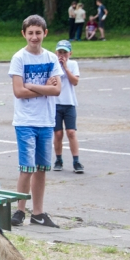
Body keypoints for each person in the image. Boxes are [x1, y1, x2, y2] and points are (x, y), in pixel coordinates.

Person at [8, 15, 62, 227]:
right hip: (25, 121)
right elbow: (19, 92)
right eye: (30, 33)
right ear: (24, 34)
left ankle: (38, 213)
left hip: (46, 121)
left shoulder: (51, 58)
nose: (34, 37)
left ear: (45, 33)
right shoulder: (19, 58)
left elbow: (56, 90)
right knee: (27, 168)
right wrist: (43, 88)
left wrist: (32, 86)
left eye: (38, 32)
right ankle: (20, 210)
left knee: (41, 168)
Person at [52, 39, 82, 173]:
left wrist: (65, 67)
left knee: (71, 132)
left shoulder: (73, 64)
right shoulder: (53, 65)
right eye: (60, 52)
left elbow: (75, 81)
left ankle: (76, 161)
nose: (62, 55)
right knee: (58, 134)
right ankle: (58, 159)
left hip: (69, 103)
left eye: (65, 52)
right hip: (55, 103)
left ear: (70, 54)